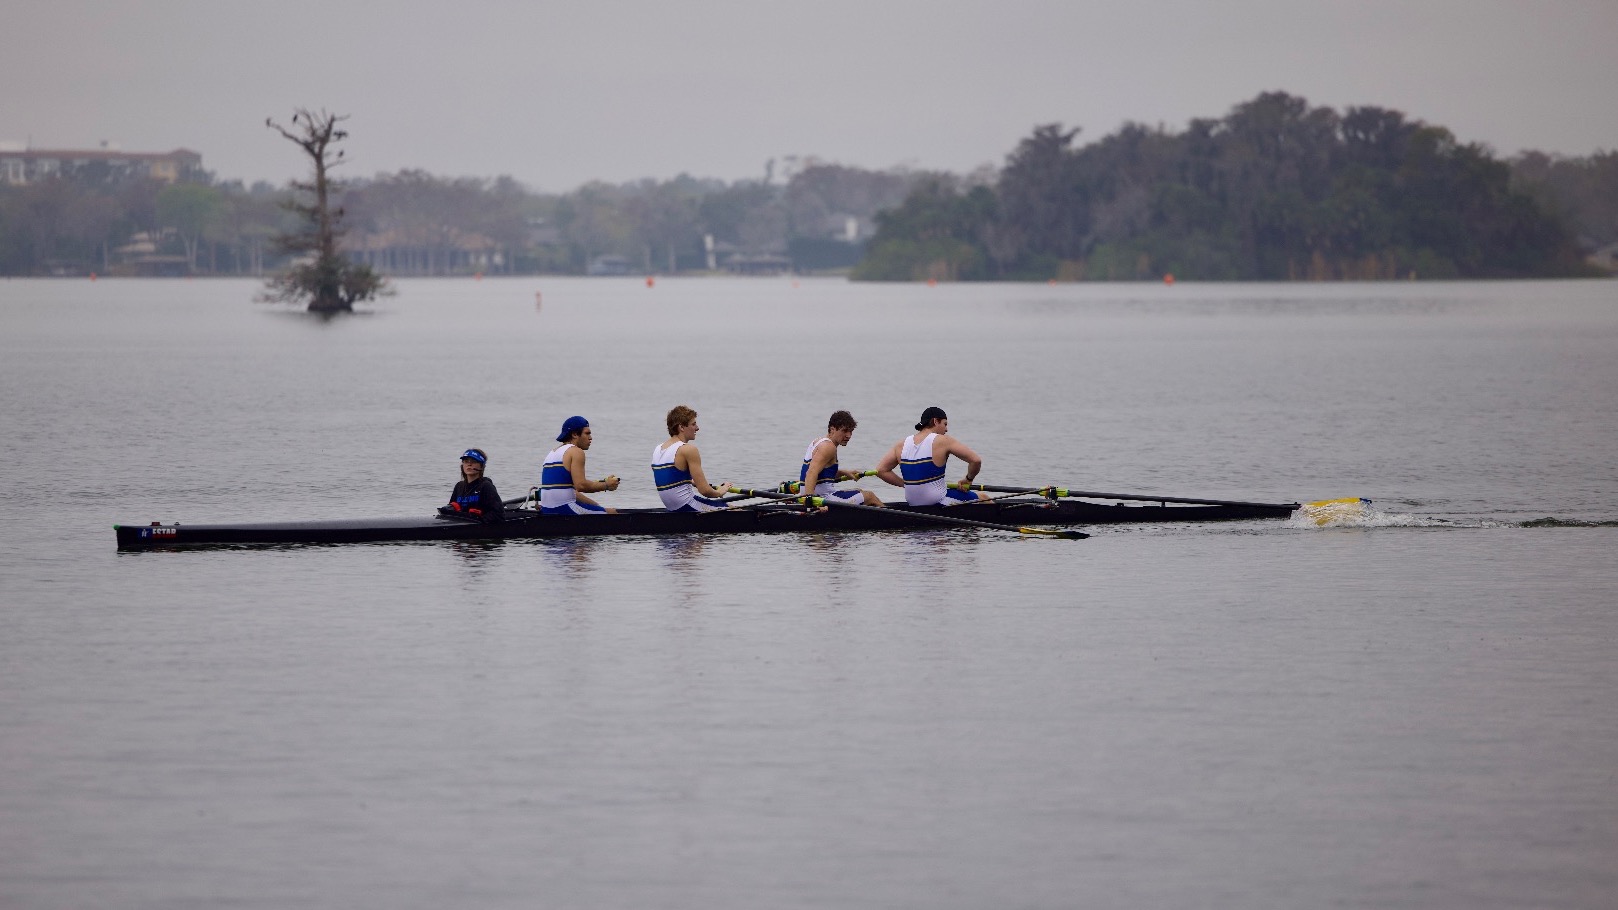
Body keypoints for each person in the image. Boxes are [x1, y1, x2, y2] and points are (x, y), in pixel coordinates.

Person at [875, 406, 988, 506]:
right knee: (984, 498)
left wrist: (906, 484)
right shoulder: (943, 440)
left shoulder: (901, 444)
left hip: (913, 502)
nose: (946, 429)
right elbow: (976, 460)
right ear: (935, 421)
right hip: (938, 500)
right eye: (945, 424)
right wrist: (968, 479)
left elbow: (881, 470)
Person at [652, 405, 731, 512]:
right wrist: (721, 491)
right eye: (693, 424)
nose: (697, 428)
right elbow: (705, 491)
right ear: (681, 427)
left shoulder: (658, 449)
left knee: (722, 505)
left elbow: (669, 477)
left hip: (673, 508)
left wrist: (689, 481)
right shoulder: (688, 450)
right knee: (734, 509)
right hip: (688, 506)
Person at [799, 410, 884, 507]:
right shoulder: (828, 447)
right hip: (822, 499)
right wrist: (809, 500)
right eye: (844, 431)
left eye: (851, 431)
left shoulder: (818, 442)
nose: (848, 435)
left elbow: (822, 474)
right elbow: (811, 472)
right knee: (870, 496)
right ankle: (895, 519)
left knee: (859, 491)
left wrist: (844, 473)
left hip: (818, 495)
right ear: (832, 429)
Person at [539, 416, 619, 514]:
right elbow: (581, 485)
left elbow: (572, 492)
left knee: (599, 508)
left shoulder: (552, 453)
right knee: (614, 513)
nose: (591, 438)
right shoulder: (576, 452)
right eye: (587, 433)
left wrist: (597, 506)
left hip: (547, 509)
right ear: (575, 434)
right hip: (563, 508)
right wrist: (606, 485)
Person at [445, 448, 504, 521]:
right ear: (462, 465)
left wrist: (479, 519)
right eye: (466, 461)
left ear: (481, 466)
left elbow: (499, 514)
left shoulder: (486, 486)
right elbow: (451, 511)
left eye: (474, 461)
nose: (469, 464)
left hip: (479, 528)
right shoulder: (459, 486)